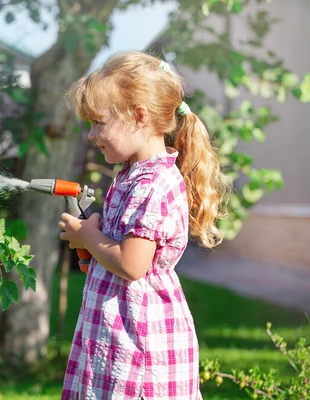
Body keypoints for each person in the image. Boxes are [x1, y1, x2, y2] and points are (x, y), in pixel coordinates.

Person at [57, 51, 228, 399]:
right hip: (117, 333)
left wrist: (89, 237)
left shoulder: (152, 183)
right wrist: (93, 239)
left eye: (98, 122)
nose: (91, 134)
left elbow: (132, 264)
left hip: (138, 344)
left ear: (138, 116)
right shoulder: (132, 175)